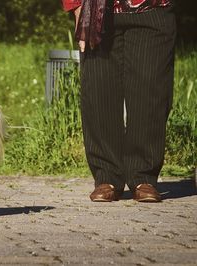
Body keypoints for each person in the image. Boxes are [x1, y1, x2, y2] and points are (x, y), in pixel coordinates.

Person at [61, 0, 176, 202]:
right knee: (98, 91)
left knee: (150, 92)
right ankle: (106, 177)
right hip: (97, 9)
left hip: (153, 8)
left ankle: (143, 176)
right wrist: (76, 5)